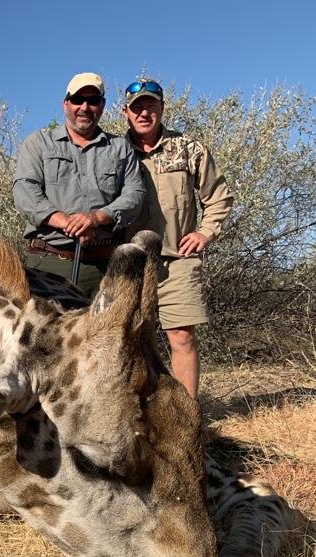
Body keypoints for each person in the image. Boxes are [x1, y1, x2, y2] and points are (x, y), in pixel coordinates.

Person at [122, 80, 233, 399]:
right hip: (130, 264)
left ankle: (186, 418)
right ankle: (139, 416)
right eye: (137, 107)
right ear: (126, 112)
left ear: (162, 108)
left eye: (151, 105)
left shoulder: (189, 148)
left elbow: (219, 197)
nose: (144, 113)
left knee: (181, 338)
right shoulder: (115, 152)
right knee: (128, 342)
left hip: (177, 260)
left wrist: (204, 233)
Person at [13, 73, 145, 298]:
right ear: (66, 103)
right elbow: (25, 191)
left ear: (102, 106)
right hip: (49, 264)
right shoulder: (39, 143)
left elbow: (135, 194)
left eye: (93, 101)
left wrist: (95, 219)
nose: (85, 107)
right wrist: (68, 223)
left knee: (107, 333)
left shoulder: (120, 148)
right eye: (77, 100)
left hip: (106, 267)